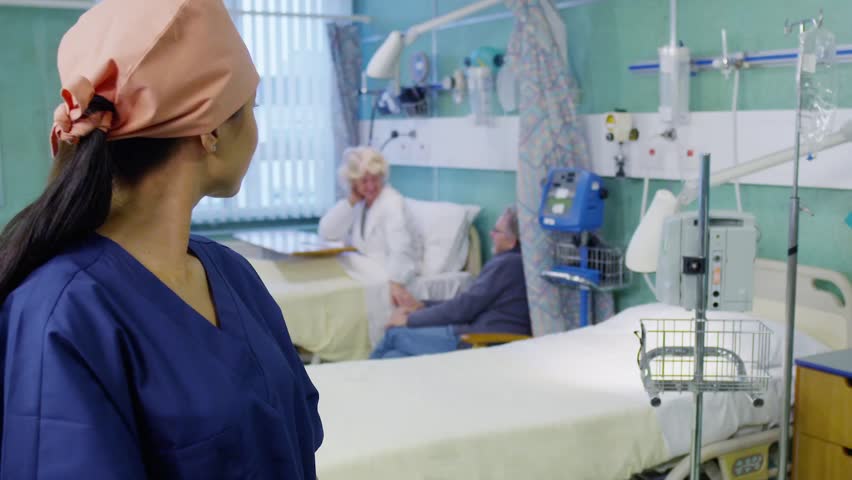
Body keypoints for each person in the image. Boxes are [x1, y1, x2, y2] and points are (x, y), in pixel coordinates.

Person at [0, 1, 322, 478]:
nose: (256, 131)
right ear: (210, 129)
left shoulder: (233, 275)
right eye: (250, 108)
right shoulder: (62, 315)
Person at [370, 207, 530, 359]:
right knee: (393, 357)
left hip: (476, 341)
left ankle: (355, 383)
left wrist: (410, 319)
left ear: (512, 241)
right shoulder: (515, 263)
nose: (490, 234)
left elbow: (463, 308)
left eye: (497, 231)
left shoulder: (508, 264)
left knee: (394, 334)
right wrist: (423, 305)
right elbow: (468, 303)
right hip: (474, 334)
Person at [318, 146, 418, 308]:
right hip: (363, 271)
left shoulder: (392, 203)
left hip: (383, 274)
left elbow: (402, 249)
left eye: (375, 179)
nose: (371, 186)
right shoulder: (359, 203)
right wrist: (351, 201)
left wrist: (396, 283)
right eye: (364, 181)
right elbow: (327, 232)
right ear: (353, 182)